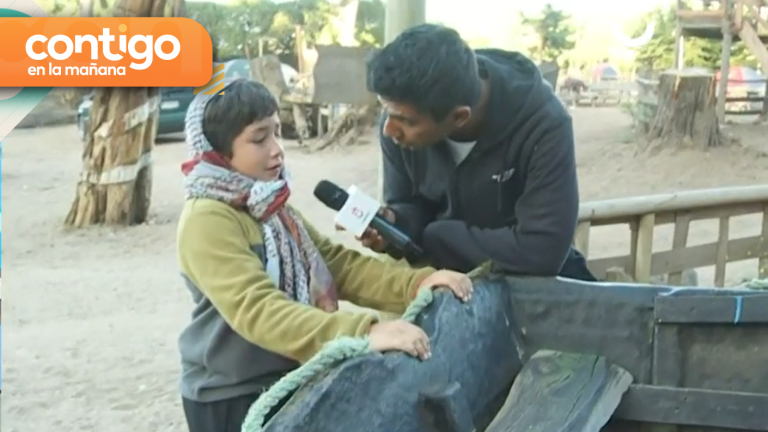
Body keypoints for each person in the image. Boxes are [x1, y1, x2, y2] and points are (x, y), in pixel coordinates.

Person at [175, 78, 473, 432]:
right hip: (231, 395)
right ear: (217, 153)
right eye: (259, 138)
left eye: (276, 133)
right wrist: (364, 332)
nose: (276, 150)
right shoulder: (208, 219)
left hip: (288, 374)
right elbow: (257, 309)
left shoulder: (268, 205)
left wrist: (419, 282)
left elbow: (336, 265)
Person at [360, 23, 596, 281]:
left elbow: (542, 251)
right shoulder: (398, 128)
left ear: (459, 117)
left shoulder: (543, 124)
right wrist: (395, 222)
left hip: (532, 290)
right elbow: (411, 205)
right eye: (386, 112)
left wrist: (438, 237)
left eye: (404, 120)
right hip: (446, 281)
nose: (388, 130)